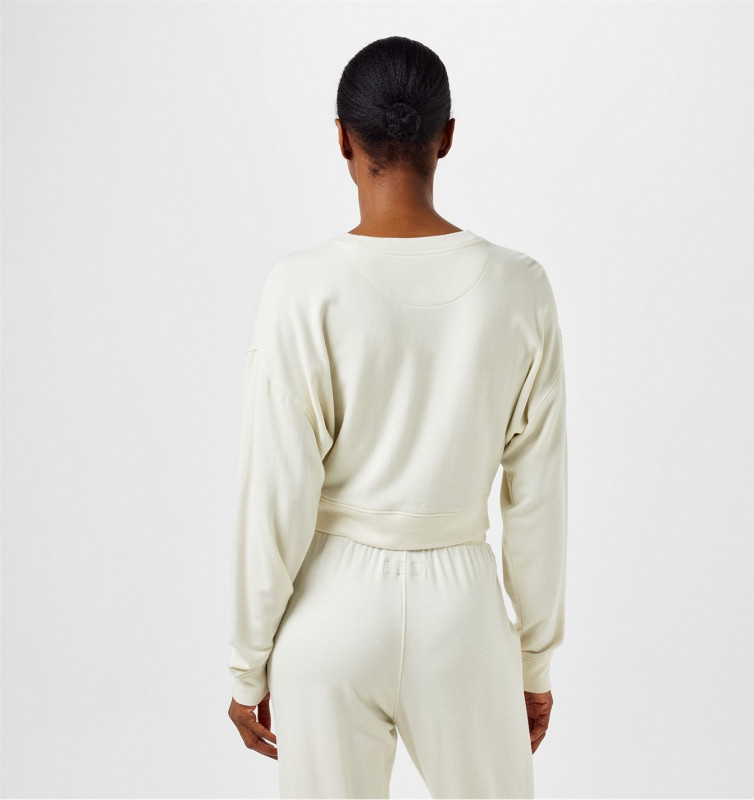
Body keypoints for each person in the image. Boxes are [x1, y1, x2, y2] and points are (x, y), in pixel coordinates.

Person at [226, 35, 568, 799]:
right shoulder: (520, 286)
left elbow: (275, 493)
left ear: (342, 137)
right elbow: (537, 499)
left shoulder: (301, 287)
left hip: (330, 610)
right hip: (463, 612)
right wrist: (534, 661)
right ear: (446, 136)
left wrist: (249, 665)